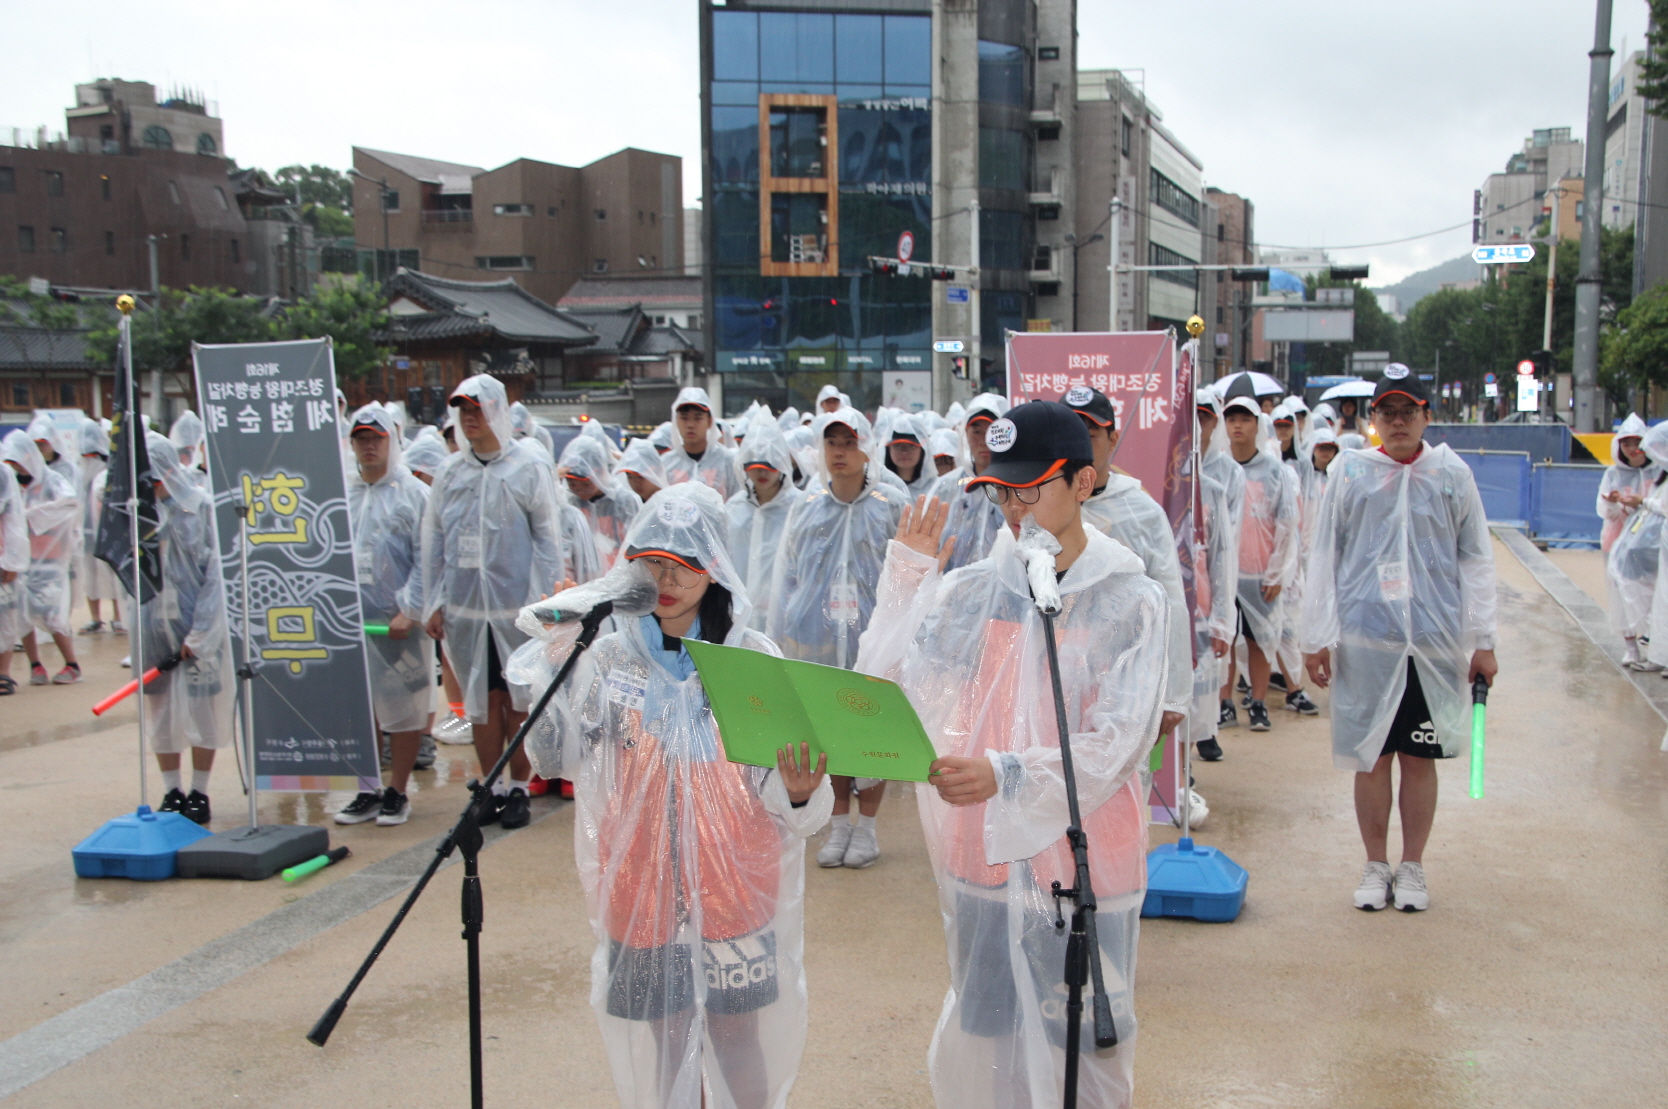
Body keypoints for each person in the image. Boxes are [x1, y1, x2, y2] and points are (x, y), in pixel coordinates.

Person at [856, 401, 1167, 1109]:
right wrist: (905, 584)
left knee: (1084, 1053)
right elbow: (883, 693)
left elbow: (1117, 744)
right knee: (989, 1045)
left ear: (1083, 483)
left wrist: (1009, 772)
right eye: (999, 488)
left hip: (1087, 872)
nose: (1011, 506)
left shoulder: (1129, 598)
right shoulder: (970, 592)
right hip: (984, 862)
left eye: (1031, 486)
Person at [508, 483, 833, 1109]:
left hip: (734, 890)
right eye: (653, 561)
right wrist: (554, 658)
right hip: (642, 888)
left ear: (716, 567)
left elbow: (789, 800)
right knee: (667, 1034)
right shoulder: (604, 660)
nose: (668, 578)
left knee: (737, 1035)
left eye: (686, 562)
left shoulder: (751, 660)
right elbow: (552, 758)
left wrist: (797, 794)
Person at [1302, 367, 1498, 912]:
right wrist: (1316, 635)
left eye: (1408, 411)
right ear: (1373, 420)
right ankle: (1374, 863)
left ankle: (1412, 866)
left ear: (1426, 415)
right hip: (1367, 639)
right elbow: (1324, 554)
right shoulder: (1350, 473)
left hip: (1433, 642)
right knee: (1372, 755)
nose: (1398, 421)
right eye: (1387, 412)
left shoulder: (1451, 474)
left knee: (1418, 755)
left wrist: (1483, 639)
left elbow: (1477, 559)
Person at [421, 375, 589, 830]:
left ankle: (518, 785)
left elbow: (547, 539)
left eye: (478, 409)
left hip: (516, 607)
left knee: (518, 701)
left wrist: (550, 601)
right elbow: (433, 539)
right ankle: (489, 786)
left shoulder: (526, 465)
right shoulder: (450, 473)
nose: (470, 419)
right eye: (463, 411)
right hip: (465, 609)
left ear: (496, 410)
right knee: (481, 700)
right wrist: (432, 600)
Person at [768, 406, 909, 868]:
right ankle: (837, 826)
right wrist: (780, 639)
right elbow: (786, 576)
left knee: (870, 733)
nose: (841, 453)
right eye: (832, 444)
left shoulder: (891, 505)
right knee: (827, 734)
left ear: (867, 447)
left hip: (874, 639)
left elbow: (910, 576)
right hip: (816, 640)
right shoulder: (805, 509)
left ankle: (866, 830)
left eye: (849, 443)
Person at [1063, 386, 1190, 743]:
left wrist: (1174, 691)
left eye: (1089, 436)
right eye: (1069, 436)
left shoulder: (1141, 511)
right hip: (1051, 676)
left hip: (1126, 675)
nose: (1079, 449)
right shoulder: (1037, 505)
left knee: (1120, 782)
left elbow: (1171, 600)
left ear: (1113, 437)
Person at [336, 405, 436, 827]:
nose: (369, 446)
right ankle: (366, 788)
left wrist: (409, 610)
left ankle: (397, 790)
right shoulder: (343, 494)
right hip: (352, 621)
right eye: (361, 439)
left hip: (397, 625)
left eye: (376, 438)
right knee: (360, 709)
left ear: (391, 440)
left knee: (403, 706)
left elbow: (427, 557)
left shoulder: (413, 494)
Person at [138, 430, 235, 825]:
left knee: (202, 708)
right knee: (160, 708)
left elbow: (218, 574)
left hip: (197, 627)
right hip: (152, 625)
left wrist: (201, 633)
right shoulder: (135, 514)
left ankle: (199, 790)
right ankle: (171, 789)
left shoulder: (201, 508)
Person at [1217, 389, 1298, 732]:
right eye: (1231, 419)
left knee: (1260, 640)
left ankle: (1259, 702)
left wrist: (1277, 571)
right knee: (1223, 639)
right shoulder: (1217, 467)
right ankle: (1224, 703)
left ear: (1257, 425)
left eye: (1245, 419)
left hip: (1259, 571)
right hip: (1223, 573)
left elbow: (1286, 522)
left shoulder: (1273, 471)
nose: (1238, 426)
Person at [1, 434, 82, 686]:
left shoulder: (53, 481)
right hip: (20, 561)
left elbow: (70, 504)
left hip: (50, 561)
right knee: (22, 614)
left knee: (53, 614)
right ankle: (35, 665)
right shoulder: (13, 484)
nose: (17, 469)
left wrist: (32, 516)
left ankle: (72, 664)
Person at [1191, 391, 1243, 763]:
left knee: (1203, 679)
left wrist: (1223, 616)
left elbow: (1226, 546)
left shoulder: (1226, 477)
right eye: (1191, 415)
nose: (1197, 424)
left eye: (1205, 417)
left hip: (1206, 593)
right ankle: (1171, 771)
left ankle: (1203, 736)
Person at [727, 418, 806, 632]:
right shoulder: (734, 510)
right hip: (736, 619)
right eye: (755, 467)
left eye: (770, 466)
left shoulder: (800, 507)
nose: (762, 473)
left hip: (785, 618)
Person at [930, 393, 1011, 572]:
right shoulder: (946, 487)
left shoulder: (1019, 487)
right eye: (976, 431)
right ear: (964, 434)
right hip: (951, 593)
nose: (983, 440)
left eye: (992, 430)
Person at [559, 433, 642, 571]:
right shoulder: (572, 504)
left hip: (619, 578)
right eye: (572, 485)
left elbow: (635, 545)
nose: (579, 491)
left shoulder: (624, 502)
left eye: (585, 484)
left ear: (599, 473)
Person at [76, 418, 123, 635]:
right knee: (90, 576)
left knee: (111, 574)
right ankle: (96, 617)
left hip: (105, 530)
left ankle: (118, 615)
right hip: (84, 531)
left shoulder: (109, 468)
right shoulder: (77, 470)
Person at [664, 387, 740, 499]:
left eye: (697, 418)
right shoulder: (667, 463)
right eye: (684, 418)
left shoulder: (727, 461)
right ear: (676, 421)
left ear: (709, 421)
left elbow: (736, 502)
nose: (690, 425)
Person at [1598, 413, 1654, 562]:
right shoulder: (1613, 474)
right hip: (1617, 539)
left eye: (1637, 443)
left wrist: (1642, 502)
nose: (1632, 449)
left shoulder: (1657, 472)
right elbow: (1604, 511)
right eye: (1626, 444)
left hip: (1649, 541)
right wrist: (1611, 502)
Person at [0, 460, 28, 695]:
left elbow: (14, 519)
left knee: (4, 616)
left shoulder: (3, 473)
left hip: (1, 556)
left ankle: (4, 673)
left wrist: (13, 559)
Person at [882, 413, 939, 498]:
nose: (904, 452)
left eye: (912, 446)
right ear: (888, 449)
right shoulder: (879, 489)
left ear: (923, 450)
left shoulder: (936, 489)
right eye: (897, 446)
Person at [617, 437, 671, 504]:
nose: (636, 483)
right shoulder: (631, 504)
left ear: (655, 472)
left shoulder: (667, 502)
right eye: (630, 477)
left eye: (641, 477)